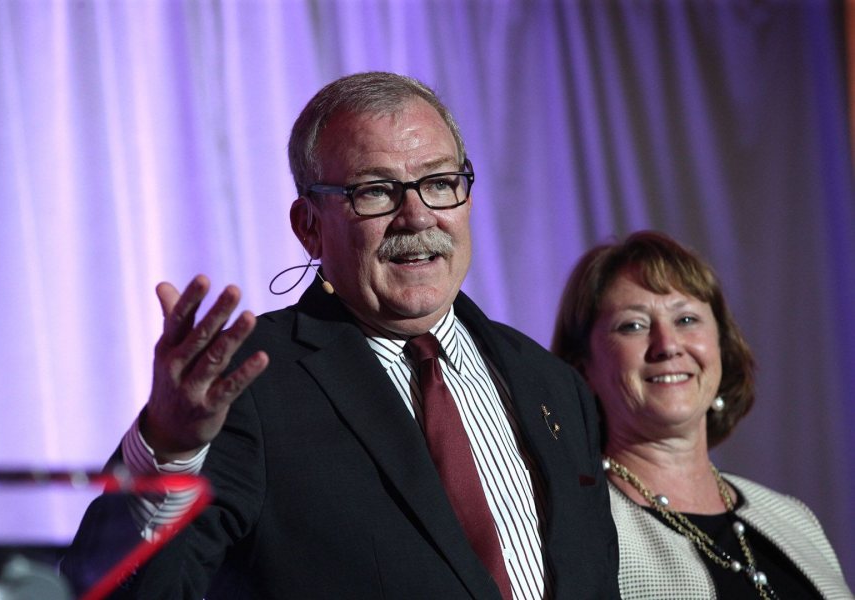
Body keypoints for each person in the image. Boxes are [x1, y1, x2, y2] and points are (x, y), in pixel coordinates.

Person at [63, 72, 619, 599]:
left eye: (440, 183)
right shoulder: (248, 384)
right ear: (309, 226)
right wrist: (169, 447)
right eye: (376, 191)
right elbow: (109, 587)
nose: (417, 217)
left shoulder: (551, 384)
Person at [551, 230, 853, 599]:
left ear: (722, 347)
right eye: (633, 325)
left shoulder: (794, 518)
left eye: (687, 319)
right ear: (583, 370)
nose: (668, 345)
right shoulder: (580, 526)